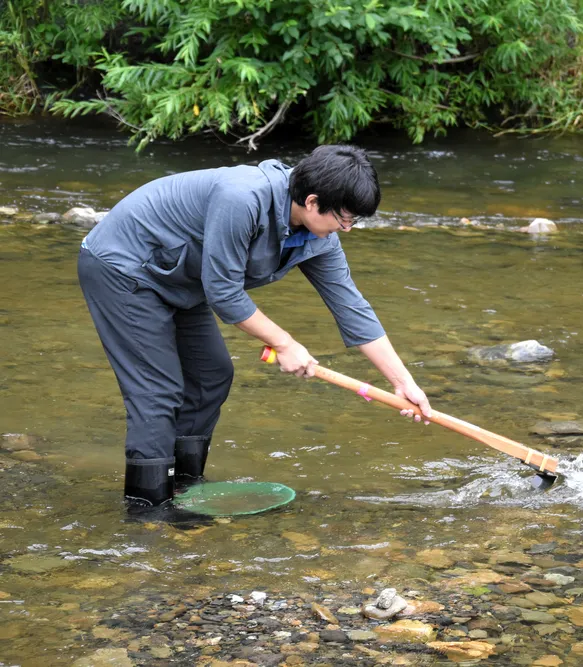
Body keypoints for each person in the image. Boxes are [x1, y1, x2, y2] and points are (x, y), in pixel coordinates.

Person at [77, 145, 432, 507]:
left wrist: (403, 382)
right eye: (345, 219)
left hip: (181, 279)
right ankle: (149, 507)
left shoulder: (319, 239)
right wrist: (285, 343)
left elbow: (352, 307)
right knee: (158, 390)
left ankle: (183, 486)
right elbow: (224, 293)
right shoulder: (242, 198)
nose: (348, 228)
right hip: (123, 268)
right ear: (312, 202)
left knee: (211, 374)